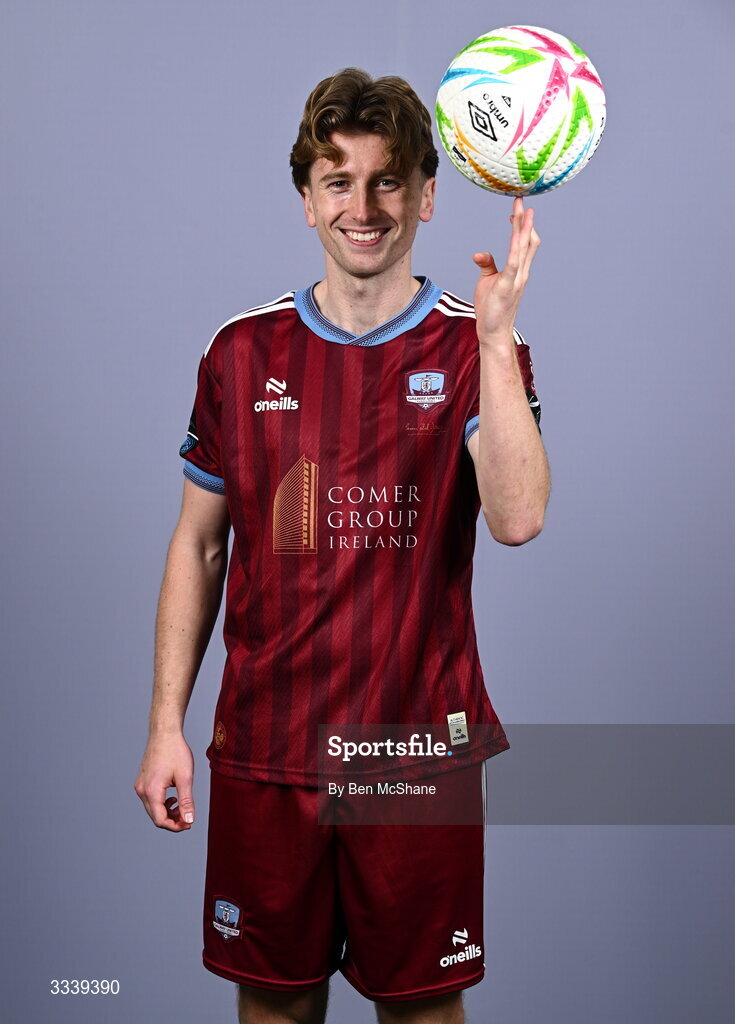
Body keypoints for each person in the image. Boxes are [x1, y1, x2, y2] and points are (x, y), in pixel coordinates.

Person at [134, 67, 549, 1024]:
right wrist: (166, 726)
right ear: (306, 200)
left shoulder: (469, 347)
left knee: (419, 1011)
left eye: (388, 180)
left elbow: (518, 518)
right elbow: (199, 549)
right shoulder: (240, 354)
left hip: (411, 756)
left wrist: (495, 344)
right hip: (267, 748)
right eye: (337, 181)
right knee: (274, 1009)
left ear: (429, 196)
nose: (363, 207)